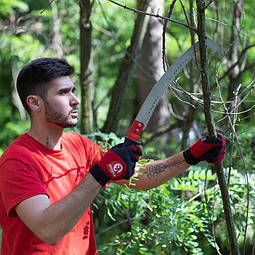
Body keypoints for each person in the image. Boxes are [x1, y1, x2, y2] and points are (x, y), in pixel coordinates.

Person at [0, 58, 226, 255]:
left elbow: (141, 177)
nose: (75, 99)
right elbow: (48, 230)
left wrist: (191, 156)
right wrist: (101, 173)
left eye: (73, 90)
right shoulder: (17, 161)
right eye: (63, 92)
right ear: (34, 102)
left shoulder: (78, 145)